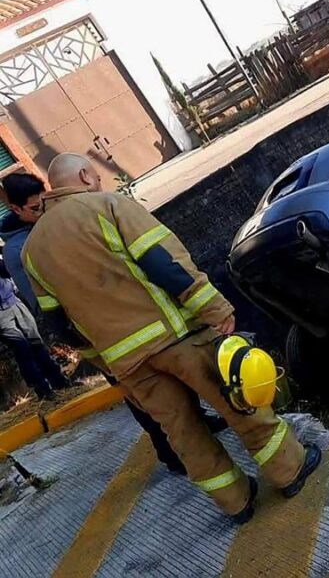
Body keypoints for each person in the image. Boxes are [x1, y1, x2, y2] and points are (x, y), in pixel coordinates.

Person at [24, 154, 320, 522]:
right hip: (178, 337)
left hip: (130, 365)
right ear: (84, 175)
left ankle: (235, 502)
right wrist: (213, 306)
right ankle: (289, 469)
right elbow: (164, 262)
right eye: (96, 175)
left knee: (183, 433)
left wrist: (105, 361)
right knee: (239, 404)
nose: (98, 181)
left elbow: (58, 323)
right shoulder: (105, 206)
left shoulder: (32, 251)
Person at [1, 172, 230, 474]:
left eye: (44, 201)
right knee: (146, 404)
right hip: (101, 338)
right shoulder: (22, 251)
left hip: (121, 326)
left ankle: (198, 426)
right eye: (33, 208)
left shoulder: (54, 225)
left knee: (171, 395)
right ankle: (170, 453)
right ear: (16, 210)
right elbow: (53, 309)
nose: (41, 209)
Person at [0, 252, 69, 400]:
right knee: (23, 349)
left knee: (36, 344)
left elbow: (5, 270)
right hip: (2, 314)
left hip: (14, 302)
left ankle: (59, 382)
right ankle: (43, 390)